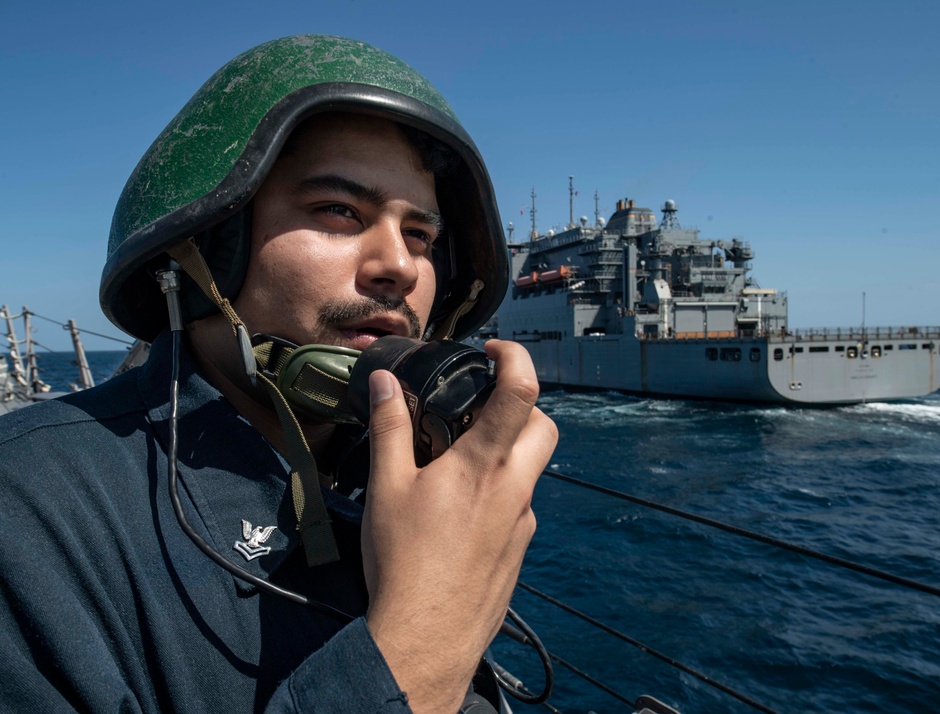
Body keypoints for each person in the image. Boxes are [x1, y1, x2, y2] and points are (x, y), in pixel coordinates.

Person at [0, 35, 558, 713]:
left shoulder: (405, 480)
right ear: (209, 249)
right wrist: (423, 643)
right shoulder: (28, 511)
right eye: (339, 211)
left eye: (422, 236)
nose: (402, 266)